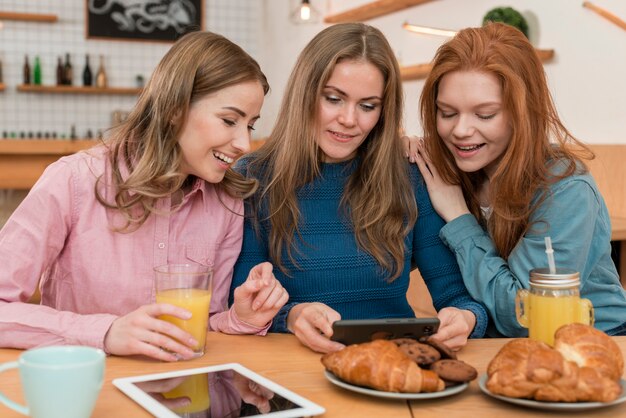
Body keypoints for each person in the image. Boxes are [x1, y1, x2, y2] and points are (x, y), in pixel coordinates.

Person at [0, 31, 289, 361]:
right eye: (229, 120)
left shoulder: (226, 204)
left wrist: (242, 318)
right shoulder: (73, 180)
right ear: (174, 110)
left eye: (250, 125)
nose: (244, 144)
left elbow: (205, 326)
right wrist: (105, 333)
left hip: (181, 396)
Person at [230, 23, 488, 354]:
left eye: (368, 106)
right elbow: (238, 297)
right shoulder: (254, 176)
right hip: (291, 369)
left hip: (390, 367)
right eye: (334, 99)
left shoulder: (409, 174)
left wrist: (465, 317)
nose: (349, 119)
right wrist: (291, 316)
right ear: (305, 93)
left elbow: (459, 296)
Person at [412, 22, 626, 337]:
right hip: (495, 344)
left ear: (523, 113)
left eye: (484, 115)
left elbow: (522, 314)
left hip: (596, 341)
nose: (460, 130)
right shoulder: (453, 168)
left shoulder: (566, 191)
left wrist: (458, 216)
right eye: (446, 113)